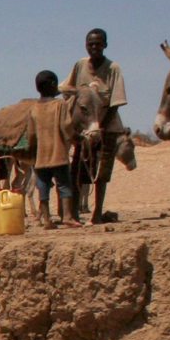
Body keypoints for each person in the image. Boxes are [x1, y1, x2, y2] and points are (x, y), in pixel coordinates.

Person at [62, 28, 127, 223]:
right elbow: (67, 89)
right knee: (78, 169)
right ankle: (73, 213)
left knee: (102, 171)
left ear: (105, 45)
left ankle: (97, 212)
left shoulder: (113, 68)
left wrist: (99, 126)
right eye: (90, 44)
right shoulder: (80, 65)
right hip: (84, 129)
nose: (94, 47)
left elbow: (116, 102)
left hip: (107, 125)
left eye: (98, 44)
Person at [28, 71, 76, 230]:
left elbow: (31, 134)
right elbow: (66, 126)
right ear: (54, 85)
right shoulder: (60, 105)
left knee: (43, 187)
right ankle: (68, 217)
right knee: (64, 186)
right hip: (58, 154)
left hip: (41, 157)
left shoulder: (34, 108)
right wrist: (76, 138)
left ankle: (47, 219)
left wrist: (33, 151)